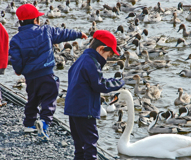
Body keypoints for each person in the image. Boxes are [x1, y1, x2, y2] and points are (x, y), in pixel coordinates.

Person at [9, 4, 87, 142]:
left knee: (32, 99)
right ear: (35, 20)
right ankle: (44, 122)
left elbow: (16, 59)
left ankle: (29, 123)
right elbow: (63, 33)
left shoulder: (16, 39)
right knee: (49, 99)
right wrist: (78, 34)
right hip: (47, 74)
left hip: (31, 78)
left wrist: (18, 70)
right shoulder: (46, 31)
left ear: (20, 22)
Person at [64, 30, 125, 160]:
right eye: (108, 55)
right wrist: (119, 82)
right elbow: (100, 84)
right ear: (101, 49)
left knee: (79, 146)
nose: (107, 59)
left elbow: (93, 80)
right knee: (90, 144)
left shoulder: (82, 58)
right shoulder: (91, 62)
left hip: (73, 108)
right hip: (85, 111)